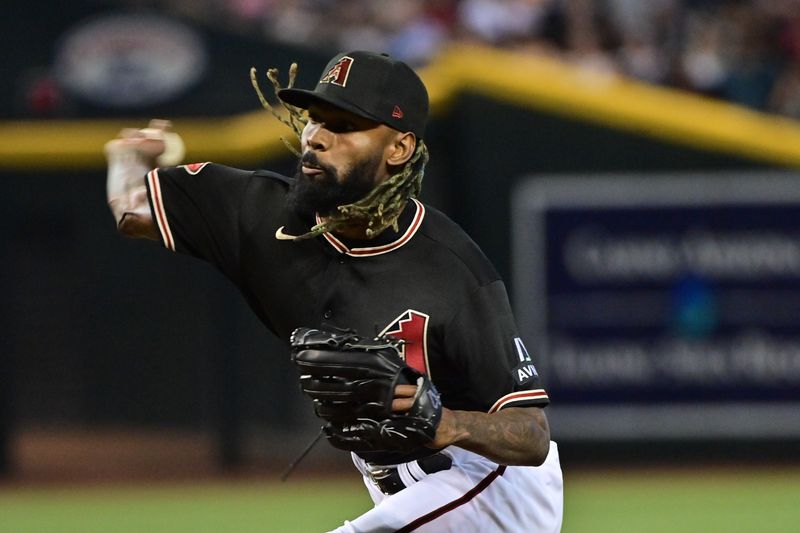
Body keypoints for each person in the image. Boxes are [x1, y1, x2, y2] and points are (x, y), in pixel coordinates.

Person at [105, 50, 563, 532]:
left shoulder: (453, 269)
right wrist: (131, 155)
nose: (317, 138)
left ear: (399, 149)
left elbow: (531, 437)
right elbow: (132, 210)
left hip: (488, 487)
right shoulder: (255, 211)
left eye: (343, 125)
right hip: (397, 489)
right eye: (315, 119)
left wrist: (443, 421)